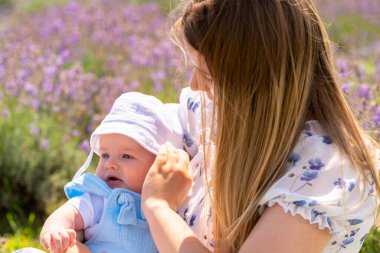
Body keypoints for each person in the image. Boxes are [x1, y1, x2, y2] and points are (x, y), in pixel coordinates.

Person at [49, 0, 379, 252]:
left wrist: (157, 205)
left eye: (208, 75)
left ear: (256, 80)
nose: (194, 85)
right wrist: (80, 227)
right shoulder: (208, 115)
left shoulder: (328, 171)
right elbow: (128, 147)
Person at [38, 92, 183, 253]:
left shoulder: (168, 206)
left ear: (158, 164)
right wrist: (55, 231)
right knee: (70, 248)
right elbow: (68, 213)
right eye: (105, 155)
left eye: (126, 156)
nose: (109, 164)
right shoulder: (100, 198)